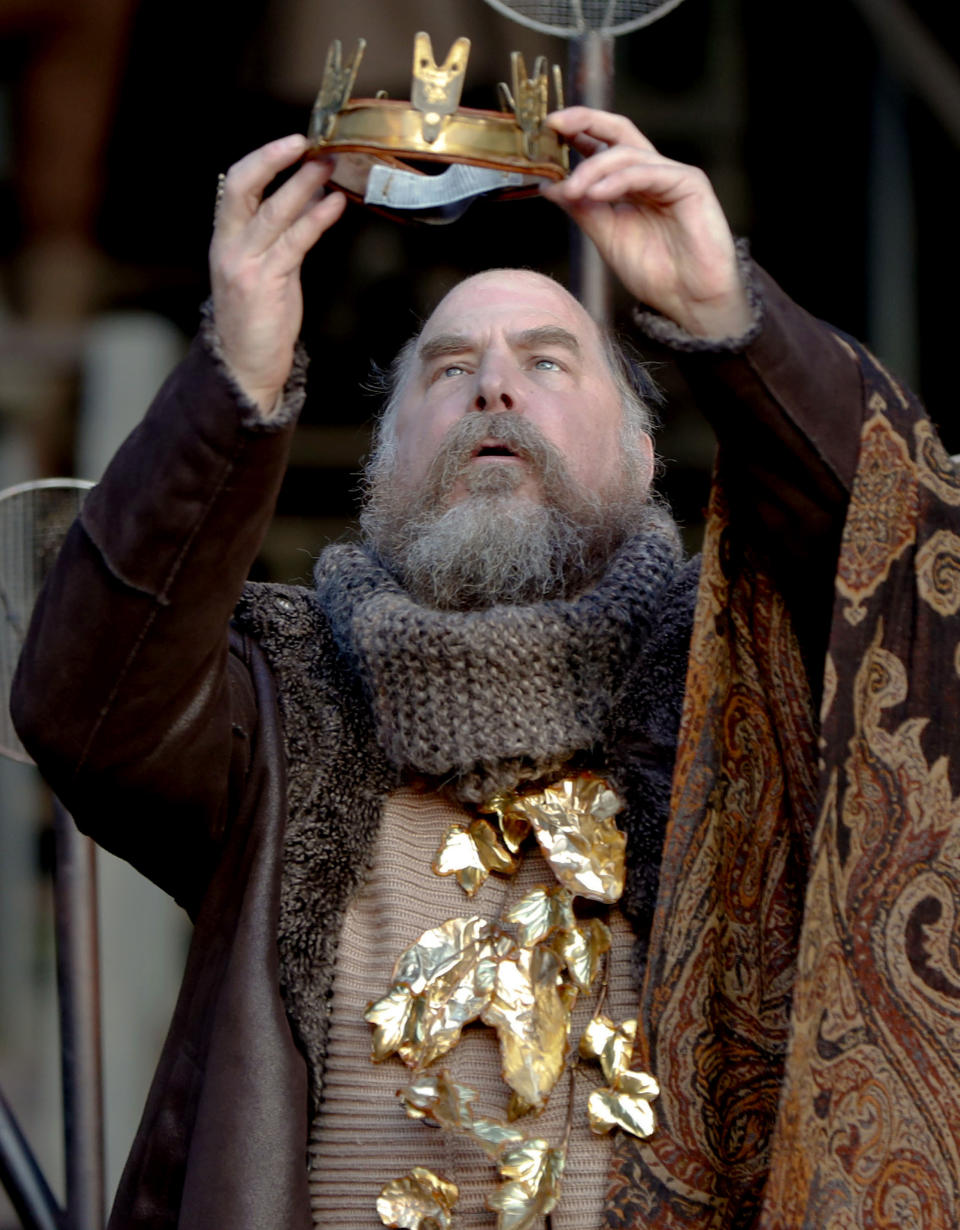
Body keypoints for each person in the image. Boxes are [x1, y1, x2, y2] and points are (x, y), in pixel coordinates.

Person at [12, 107, 960, 1229]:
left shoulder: (743, 675)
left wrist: (732, 323)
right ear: (383, 464)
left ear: (644, 451)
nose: (493, 389)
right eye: (447, 368)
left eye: (548, 362)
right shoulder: (278, 694)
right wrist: (237, 379)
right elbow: (86, 707)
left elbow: (912, 591)